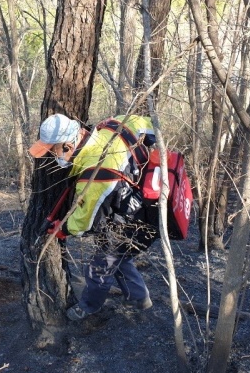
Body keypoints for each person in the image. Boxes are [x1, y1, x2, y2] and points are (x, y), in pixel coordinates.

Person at [29, 113, 157, 321]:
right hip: (137, 209)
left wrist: (63, 229)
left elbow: (83, 223)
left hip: (137, 221)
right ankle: (140, 299)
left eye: (53, 151)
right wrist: (151, 142)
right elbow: (146, 123)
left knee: (100, 267)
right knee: (120, 258)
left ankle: (89, 308)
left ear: (67, 146)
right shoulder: (113, 127)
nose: (54, 156)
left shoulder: (95, 178)